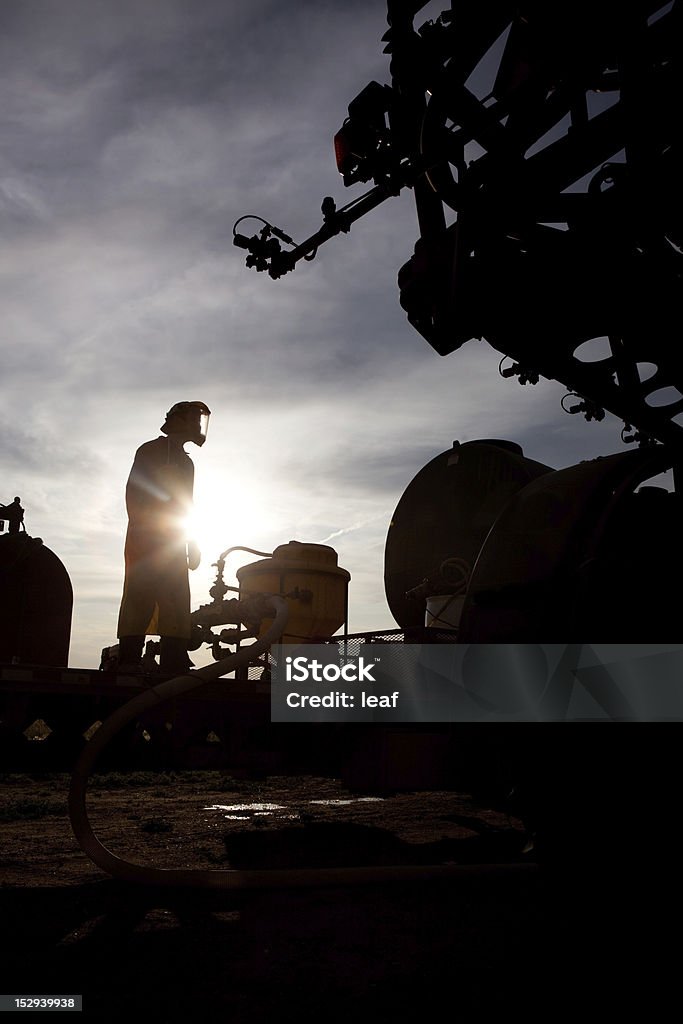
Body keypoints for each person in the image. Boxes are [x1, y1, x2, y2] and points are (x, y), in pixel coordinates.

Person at [117, 401, 210, 675]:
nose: (198, 426)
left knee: (177, 598)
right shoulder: (149, 451)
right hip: (145, 539)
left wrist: (192, 541)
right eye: (193, 420)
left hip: (173, 543)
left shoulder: (187, 464)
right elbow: (134, 492)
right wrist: (144, 529)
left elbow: (187, 505)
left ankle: (174, 659)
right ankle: (129, 658)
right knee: (139, 595)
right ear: (178, 421)